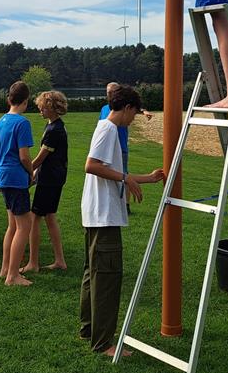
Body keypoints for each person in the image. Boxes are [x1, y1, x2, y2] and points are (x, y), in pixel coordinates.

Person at [80, 85, 164, 356]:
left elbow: (112, 170)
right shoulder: (108, 129)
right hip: (104, 217)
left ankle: (88, 329)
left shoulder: (108, 129)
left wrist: (147, 178)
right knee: (106, 278)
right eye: (135, 113)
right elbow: (91, 165)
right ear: (127, 108)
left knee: (93, 274)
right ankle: (103, 343)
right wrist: (125, 178)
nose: (134, 119)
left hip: (97, 214)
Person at [20, 90, 69, 274]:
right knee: (50, 217)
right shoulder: (55, 126)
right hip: (53, 178)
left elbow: (40, 158)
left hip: (50, 180)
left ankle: (33, 262)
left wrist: (26, 171)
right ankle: (60, 260)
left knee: (34, 218)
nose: (40, 109)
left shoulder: (54, 130)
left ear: (53, 108)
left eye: (43, 107)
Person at [0, 81, 34, 287]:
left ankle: (5, 269)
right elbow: (24, 156)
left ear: (9, 99)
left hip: (2, 176)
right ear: (25, 101)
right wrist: (31, 173)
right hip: (16, 178)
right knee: (24, 227)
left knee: (12, 225)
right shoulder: (22, 123)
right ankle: (12, 276)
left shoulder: (0, 121)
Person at [99, 82, 153, 214]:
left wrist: (144, 111)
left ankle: (126, 205)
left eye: (113, 92)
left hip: (121, 148)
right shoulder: (106, 125)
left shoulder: (119, 113)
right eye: (108, 93)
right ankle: (119, 204)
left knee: (123, 174)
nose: (110, 95)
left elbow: (134, 108)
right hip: (105, 214)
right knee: (121, 175)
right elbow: (91, 167)